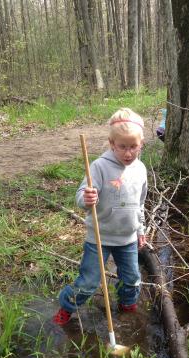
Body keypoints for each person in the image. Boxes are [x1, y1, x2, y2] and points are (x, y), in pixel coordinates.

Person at [53, 108, 147, 326]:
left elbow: (140, 203)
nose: (128, 153)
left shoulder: (140, 169)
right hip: (99, 237)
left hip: (128, 238)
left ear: (141, 144)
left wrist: (140, 230)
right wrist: (87, 198)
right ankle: (66, 309)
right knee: (88, 282)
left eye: (133, 147)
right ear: (111, 143)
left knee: (132, 280)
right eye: (122, 147)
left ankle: (127, 307)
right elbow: (79, 197)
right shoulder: (99, 166)